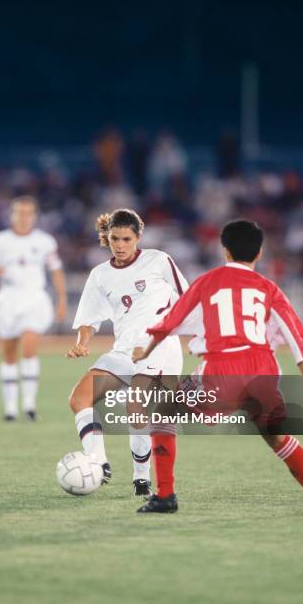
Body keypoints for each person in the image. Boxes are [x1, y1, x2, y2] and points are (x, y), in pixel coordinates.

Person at [133, 219, 303, 513]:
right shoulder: (270, 289)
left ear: (225, 251)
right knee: (275, 437)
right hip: (263, 370)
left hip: (223, 369)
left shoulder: (208, 281)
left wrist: (146, 350)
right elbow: (299, 343)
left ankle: (165, 496)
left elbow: (171, 321)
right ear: (259, 253)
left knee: (163, 412)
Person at [67, 208, 187, 496]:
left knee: (136, 407)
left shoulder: (159, 261)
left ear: (138, 237)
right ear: (106, 238)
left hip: (160, 350)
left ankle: (141, 478)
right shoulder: (100, 275)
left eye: (126, 239)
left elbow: (188, 298)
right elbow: (88, 318)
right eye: (114, 239)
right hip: (123, 350)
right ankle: (98, 462)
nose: (119, 245)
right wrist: (83, 341)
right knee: (79, 398)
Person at [0, 196, 67, 421]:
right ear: (12, 215)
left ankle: (29, 405)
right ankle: (10, 408)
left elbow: (56, 270)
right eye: (19, 212)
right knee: (9, 351)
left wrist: (62, 299)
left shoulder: (45, 241)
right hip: (8, 298)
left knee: (29, 346)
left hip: (34, 299)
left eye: (28, 213)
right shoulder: (1, 240)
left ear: (34, 216)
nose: (24, 217)